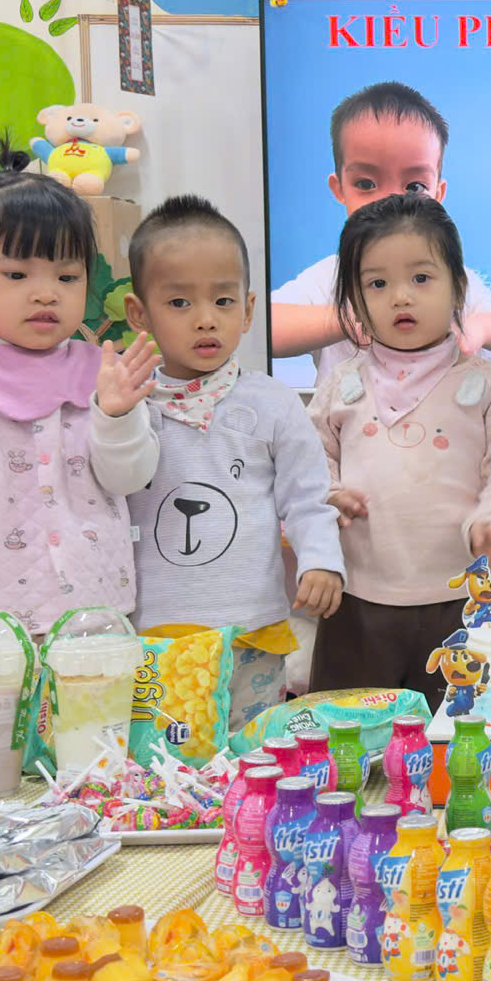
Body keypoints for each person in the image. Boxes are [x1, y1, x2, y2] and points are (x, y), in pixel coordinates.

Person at [0, 174, 162, 631]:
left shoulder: (103, 375)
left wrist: (116, 417)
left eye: (67, 276)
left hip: (93, 611)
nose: (46, 293)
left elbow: (130, 479)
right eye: (17, 275)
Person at [122, 195, 344, 729]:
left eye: (223, 301)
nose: (206, 320)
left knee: (254, 753)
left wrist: (320, 560)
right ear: (139, 313)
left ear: (247, 311)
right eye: (179, 303)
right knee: (165, 759)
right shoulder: (125, 406)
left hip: (252, 630)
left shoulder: (272, 403)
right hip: (158, 634)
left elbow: (308, 497)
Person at [309, 192, 491, 707]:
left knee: (458, 738)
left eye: (421, 278)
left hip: (463, 602)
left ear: (458, 287)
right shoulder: (341, 383)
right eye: (377, 284)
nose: (401, 297)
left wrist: (490, 519)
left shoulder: (489, 385)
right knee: (350, 740)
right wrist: (328, 494)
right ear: (355, 300)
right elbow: (311, 461)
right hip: (358, 601)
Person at [269, 83, 491, 375]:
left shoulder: (447, 277)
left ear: (438, 194)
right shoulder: (331, 278)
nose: (391, 199)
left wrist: (480, 326)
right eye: (366, 184)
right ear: (340, 189)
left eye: (414, 187)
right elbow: (263, 328)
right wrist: (348, 320)